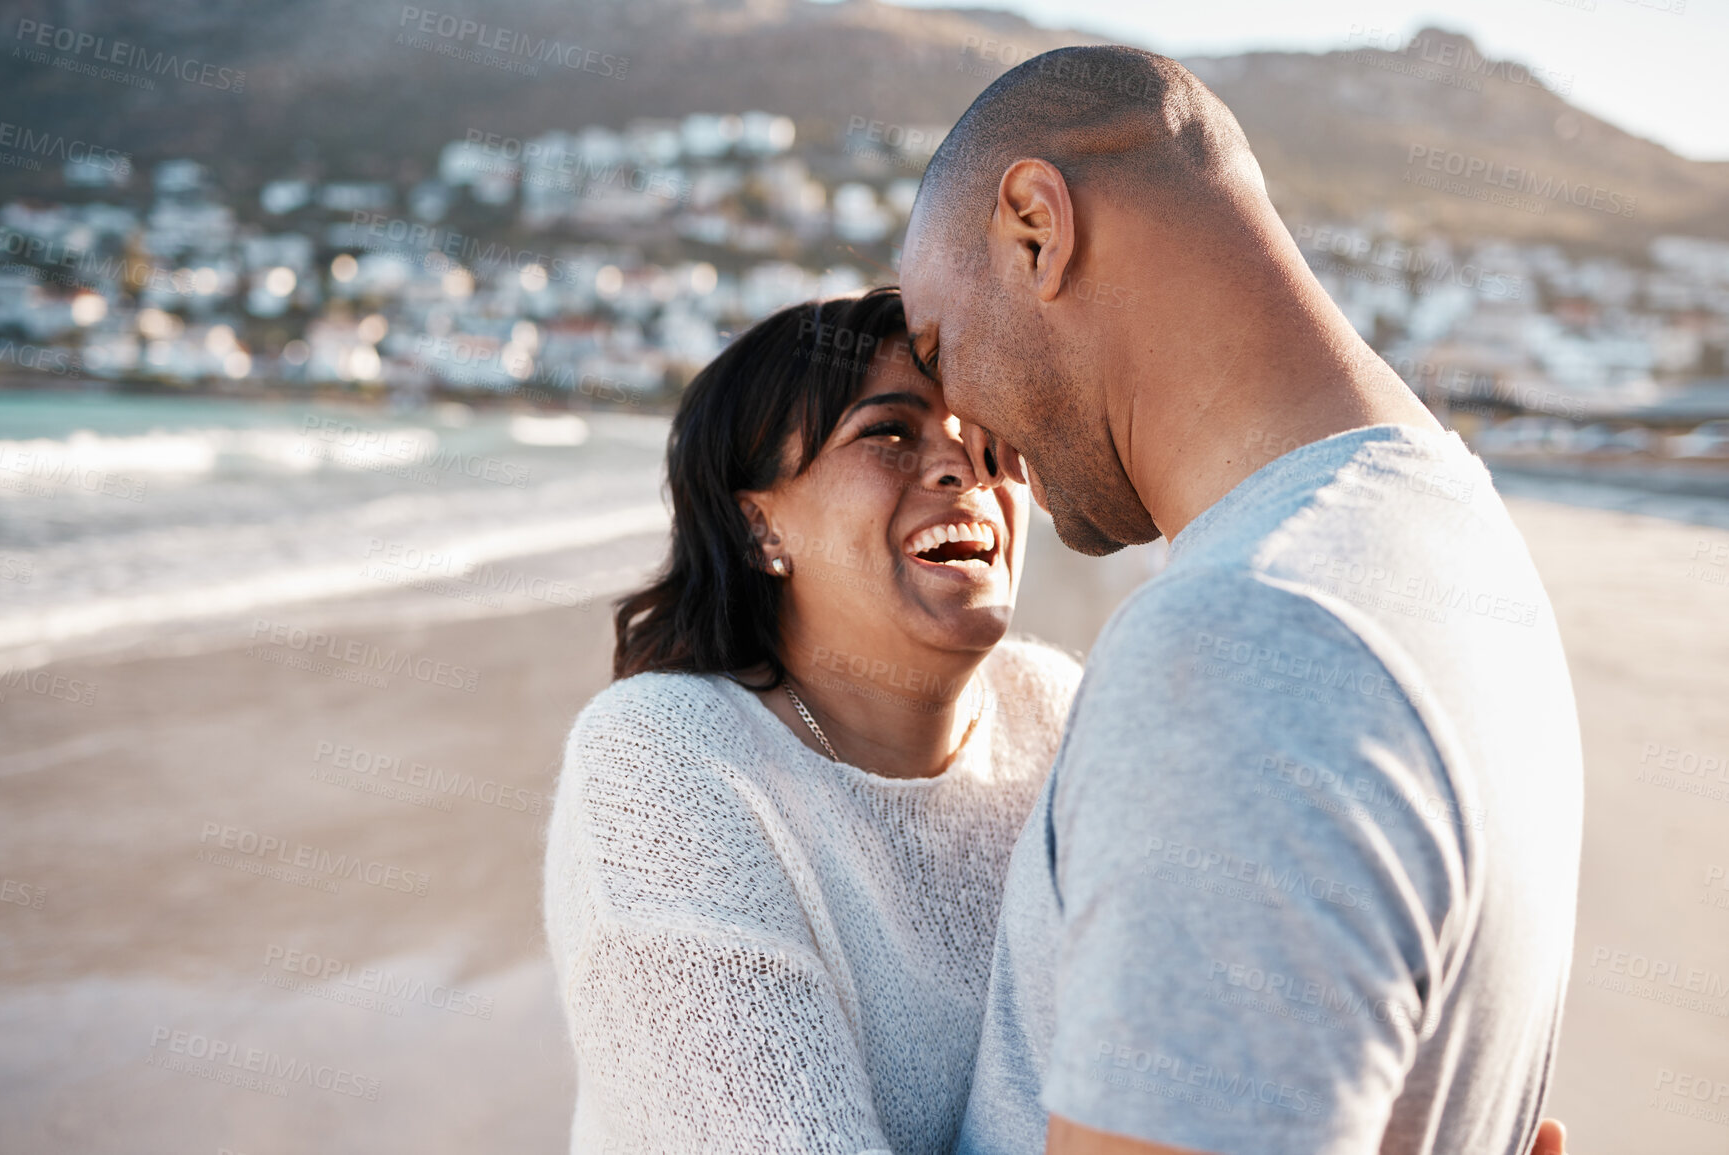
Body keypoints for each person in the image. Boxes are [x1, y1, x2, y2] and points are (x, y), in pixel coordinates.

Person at [897, 45, 1583, 1155]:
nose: (965, 437)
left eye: (940, 347)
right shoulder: (1458, 545)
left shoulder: (1245, 644)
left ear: (1036, 227)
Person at [542, 287, 1083, 1154]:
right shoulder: (661, 763)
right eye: (888, 433)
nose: (962, 467)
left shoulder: (1053, 712)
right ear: (759, 524)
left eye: (980, 432)